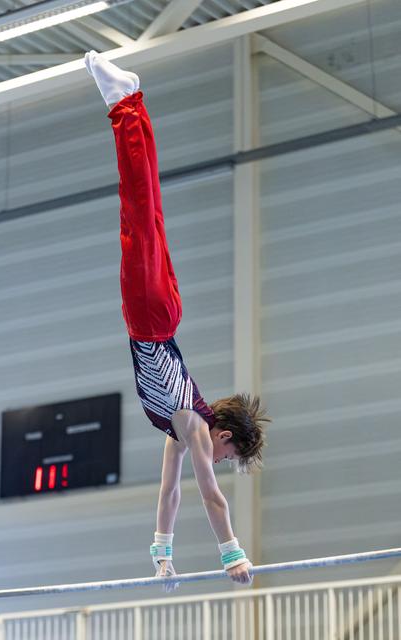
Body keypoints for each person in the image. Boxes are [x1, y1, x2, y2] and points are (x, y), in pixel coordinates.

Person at [84, 50, 271, 592]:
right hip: (152, 319)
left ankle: (129, 102)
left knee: (146, 209)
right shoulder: (190, 422)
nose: (216, 459)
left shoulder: (178, 434)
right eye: (227, 452)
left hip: (151, 317)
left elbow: (170, 493)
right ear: (225, 435)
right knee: (139, 208)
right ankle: (123, 101)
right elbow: (209, 494)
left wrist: (161, 556)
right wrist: (231, 554)